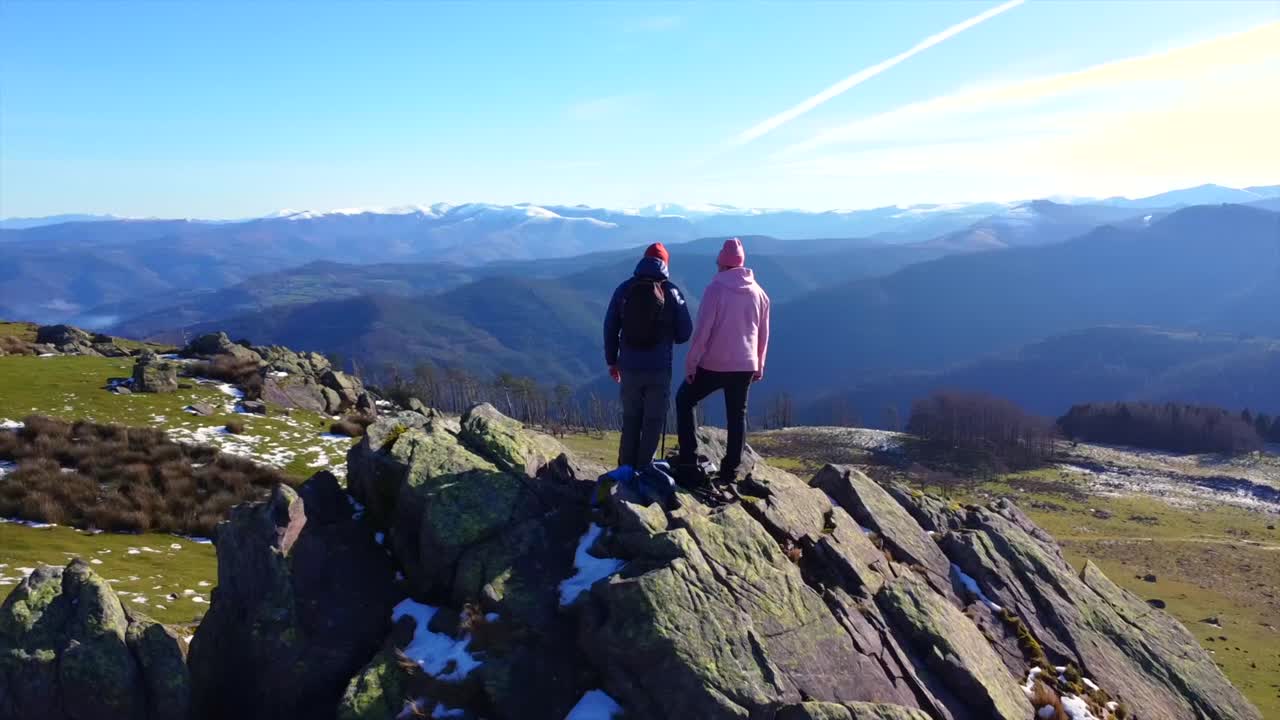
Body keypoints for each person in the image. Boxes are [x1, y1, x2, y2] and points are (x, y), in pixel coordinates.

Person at [676, 238, 770, 484]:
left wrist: (691, 363)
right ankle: (731, 470)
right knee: (737, 415)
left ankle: (688, 459)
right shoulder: (759, 293)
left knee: (685, 399)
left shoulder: (715, 289)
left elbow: (703, 331)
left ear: (721, 263)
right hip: (745, 365)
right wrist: (759, 365)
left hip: (715, 363)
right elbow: (763, 333)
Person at [603, 242, 693, 469]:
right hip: (659, 368)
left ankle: (624, 468)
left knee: (631, 418)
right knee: (653, 421)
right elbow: (685, 333)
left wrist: (612, 361)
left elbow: (610, 326)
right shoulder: (672, 291)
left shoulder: (624, 290)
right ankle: (645, 469)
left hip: (629, 367)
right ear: (665, 264)